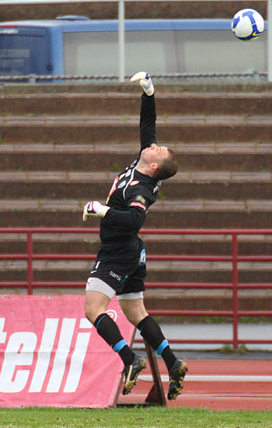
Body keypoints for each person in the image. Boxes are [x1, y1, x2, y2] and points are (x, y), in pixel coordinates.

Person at [81, 71, 187, 401]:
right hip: (132, 252)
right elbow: (148, 127)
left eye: (158, 149)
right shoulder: (144, 163)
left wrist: (99, 209)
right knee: (136, 313)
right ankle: (173, 361)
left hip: (119, 251)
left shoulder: (140, 188)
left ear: (155, 166)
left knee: (92, 308)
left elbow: (133, 220)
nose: (153, 145)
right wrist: (148, 91)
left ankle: (130, 360)